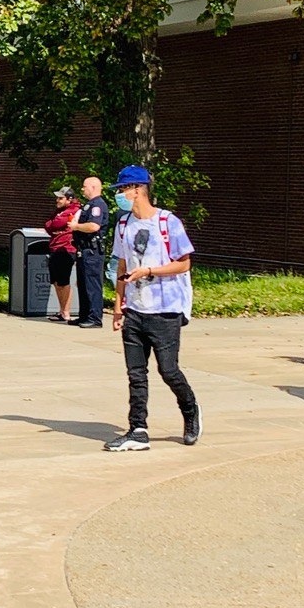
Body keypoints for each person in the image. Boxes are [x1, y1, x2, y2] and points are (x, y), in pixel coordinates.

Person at [103, 164, 201, 451]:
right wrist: (118, 305)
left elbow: (184, 264)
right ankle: (138, 429)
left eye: (123, 189)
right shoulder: (123, 224)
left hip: (165, 309)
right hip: (135, 310)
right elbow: (122, 265)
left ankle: (190, 410)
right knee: (136, 373)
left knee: (168, 370)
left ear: (138, 190)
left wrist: (149, 271)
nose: (119, 195)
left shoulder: (168, 222)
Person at [67, 176, 109, 328]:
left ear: (93, 187)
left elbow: (93, 226)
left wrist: (76, 227)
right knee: (84, 284)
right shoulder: (89, 205)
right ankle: (84, 315)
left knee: (92, 284)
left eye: (84, 186)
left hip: (92, 251)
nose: (82, 189)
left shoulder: (98, 205)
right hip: (84, 249)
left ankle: (95, 318)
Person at [44, 186, 81, 322]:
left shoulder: (73, 210)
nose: (57, 200)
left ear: (69, 199)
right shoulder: (60, 211)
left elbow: (56, 224)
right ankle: (61, 311)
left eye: (61, 198)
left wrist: (55, 226)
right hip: (55, 248)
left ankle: (66, 312)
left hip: (66, 249)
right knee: (56, 282)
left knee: (63, 281)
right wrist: (54, 225)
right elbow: (48, 225)